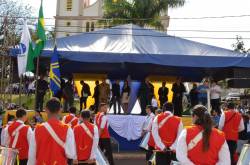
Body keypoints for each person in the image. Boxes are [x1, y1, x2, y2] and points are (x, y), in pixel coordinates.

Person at [27, 98, 76, 165]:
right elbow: (71, 154)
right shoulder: (67, 129)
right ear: (60, 110)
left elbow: (32, 156)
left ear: (46, 110)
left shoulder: (37, 129)